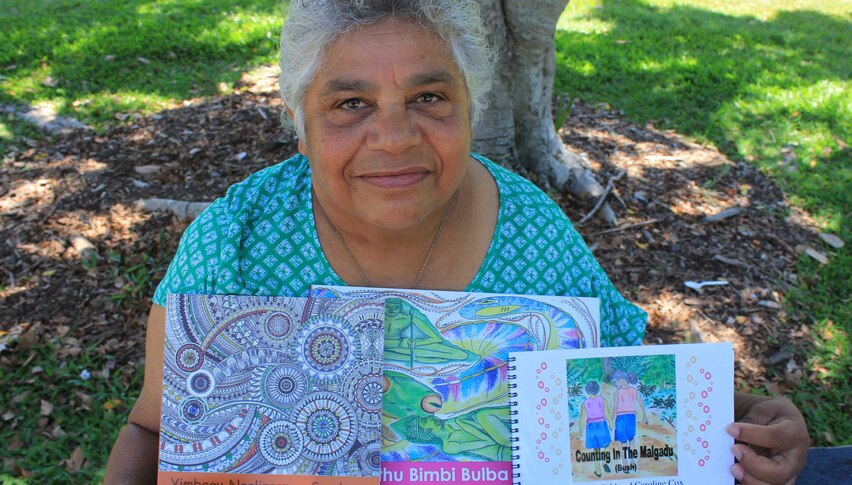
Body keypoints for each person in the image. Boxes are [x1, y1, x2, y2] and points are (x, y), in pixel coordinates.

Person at [104, 1, 810, 483]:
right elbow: (151, 432)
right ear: (300, 120)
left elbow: (626, 398)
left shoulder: (532, 232)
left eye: (429, 97)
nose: (395, 136)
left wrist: (752, 420)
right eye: (350, 104)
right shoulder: (234, 242)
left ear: (469, 105)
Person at [611, 370, 648, 466]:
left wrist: (611, 419)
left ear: (618, 380)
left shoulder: (617, 392)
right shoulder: (634, 390)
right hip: (631, 417)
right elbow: (641, 403)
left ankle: (625, 464)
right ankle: (632, 462)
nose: (615, 384)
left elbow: (615, 407)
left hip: (620, 418)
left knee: (623, 441)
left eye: (615, 382)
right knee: (631, 439)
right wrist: (644, 415)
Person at [579, 380, 613, 478]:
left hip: (591, 426)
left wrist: (580, 429)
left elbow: (582, 417)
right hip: (601, 424)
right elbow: (606, 412)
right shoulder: (602, 400)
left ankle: (598, 471)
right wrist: (610, 423)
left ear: (587, 391)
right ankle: (605, 462)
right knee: (606, 444)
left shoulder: (585, 403)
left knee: (596, 449)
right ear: (598, 390)